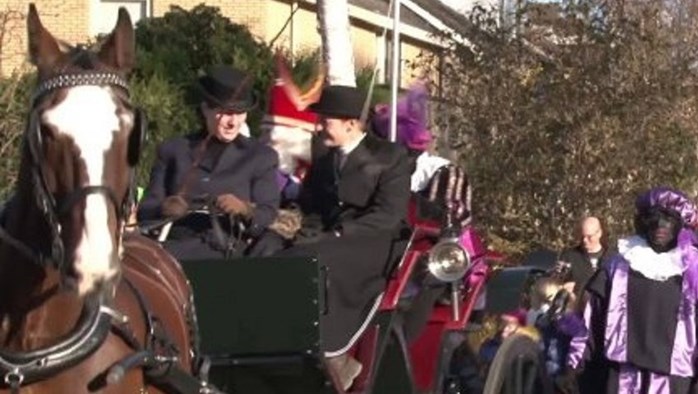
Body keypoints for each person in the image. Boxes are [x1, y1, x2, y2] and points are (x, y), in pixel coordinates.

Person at [279, 84, 412, 390]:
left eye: (325, 121)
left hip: (374, 240)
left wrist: (340, 233)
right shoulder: (325, 158)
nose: (319, 126)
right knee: (286, 258)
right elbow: (312, 205)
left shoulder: (390, 156)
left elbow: (388, 215)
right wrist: (304, 231)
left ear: (350, 124)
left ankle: (335, 354)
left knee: (324, 261)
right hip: (328, 236)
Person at [137, 65, 282, 260]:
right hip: (176, 246)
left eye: (239, 114)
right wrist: (164, 207)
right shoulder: (173, 150)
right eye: (226, 113)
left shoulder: (260, 156)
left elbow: (268, 213)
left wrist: (245, 209)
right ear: (206, 109)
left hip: (228, 249)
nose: (233, 122)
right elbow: (145, 209)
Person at [566, 187, 698, 394]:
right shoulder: (618, 267)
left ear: (680, 224)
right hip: (623, 378)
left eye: (668, 218)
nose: (660, 225)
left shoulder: (693, 271)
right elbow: (591, 323)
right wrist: (575, 366)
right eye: (653, 218)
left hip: (673, 381)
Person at [557, 216, 613, 298]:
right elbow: (556, 284)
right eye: (582, 236)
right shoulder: (569, 256)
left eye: (589, 237)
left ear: (599, 233)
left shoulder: (613, 258)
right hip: (577, 307)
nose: (585, 240)